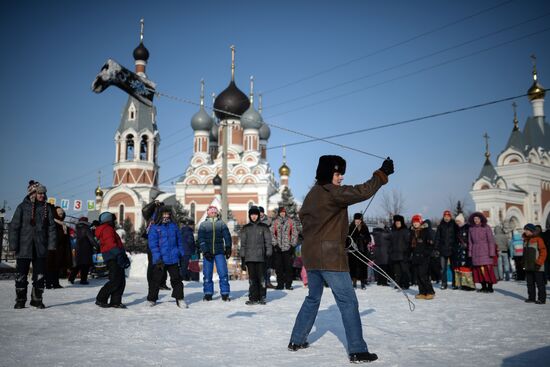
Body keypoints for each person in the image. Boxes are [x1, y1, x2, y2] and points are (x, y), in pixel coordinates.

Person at [288, 155, 393, 363]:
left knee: (313, 297)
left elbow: (314, 225)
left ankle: (297, 340)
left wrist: (338, 238)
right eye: (338, 174)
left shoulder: (311, 195)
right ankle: (357, 350)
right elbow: (362, 191)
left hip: (311, 255)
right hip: (329, 256)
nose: (341, 178)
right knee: (348, 301)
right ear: (328, 173)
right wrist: (382, 174)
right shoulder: (332, 192)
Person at [9, 181, 56, 309]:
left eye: (43, 193)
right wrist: (13, 246)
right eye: (39, 193)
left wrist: (51, 245)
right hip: (24, 247)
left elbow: (51, 228)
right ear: (32, 193)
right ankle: (20, 300)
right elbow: (14, 227)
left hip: (40, 248)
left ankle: (37, 300)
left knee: (40, 275)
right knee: (21, 275)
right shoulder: (22, 207)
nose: (42, 195)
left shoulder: (47, 208)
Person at [147, 207, 186, 308]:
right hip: (161, 259)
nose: (166, 216)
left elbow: (179, 241)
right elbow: (153, 244)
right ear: (160, 214)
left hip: (173, 257)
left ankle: (180, 298)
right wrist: (157, 258)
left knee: (176, 279)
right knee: (156, 280)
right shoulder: (155, 227)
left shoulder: (174, 226)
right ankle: (152, 299)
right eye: (164, 214)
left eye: (168, 214)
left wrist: (181, 253)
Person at [198, 205, 232, 301]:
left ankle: (225, 293)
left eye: (214, 212)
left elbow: (227, 236)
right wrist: (205, 251)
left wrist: (228, 247)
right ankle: (208, 293)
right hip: (208, 252)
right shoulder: (203, 225)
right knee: (207, 274)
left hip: (219, 252)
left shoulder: (221, 224)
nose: (213, 214)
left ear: (217, 213)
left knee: (223, 273)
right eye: (211, 212)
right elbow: (201, 239)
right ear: (208, 213)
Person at [94, 212, 128, 308]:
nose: (114, 221)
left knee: (120, 280)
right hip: (113, 257)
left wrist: (123, 255)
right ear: (109, 220)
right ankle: (100, 298)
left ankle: (115, 301)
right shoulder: (107, 229)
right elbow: (110, 243)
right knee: (115, 280)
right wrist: (118, 255)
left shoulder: (108, 229)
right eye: (113, 219)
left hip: (115, 255)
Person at [240, 206, 272, 305]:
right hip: (249, 258)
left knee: (261, 278)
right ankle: (253, 297)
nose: (254, 216)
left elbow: (268, 242)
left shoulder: (264, 227)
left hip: (261, 257)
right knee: (252, 279)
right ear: (249, 215)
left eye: (255, 214)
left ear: (258, 215)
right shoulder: (246, 228)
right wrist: (243, 259)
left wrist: (268, 255)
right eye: (252, 214)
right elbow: (243, 244)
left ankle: (262, 296)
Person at [142, 200, 170, 291]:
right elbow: (144, 210)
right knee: (152, 264)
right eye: (159, 208)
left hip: (164, 244)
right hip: (152, 244)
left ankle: (161, 283)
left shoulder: (166, 218)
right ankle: (152, 284)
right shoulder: (150, 216)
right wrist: (153, 203)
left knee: (163, 264)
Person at [468, 212, 497, 293]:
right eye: (475, 219)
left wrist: (492, 252)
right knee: (479, 270)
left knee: (487, 270)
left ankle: (490, 287)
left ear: (481, 219)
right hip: (475, 251)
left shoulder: (486, 227)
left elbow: (491, 241)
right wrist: (470, 253)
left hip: (485, 251)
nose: (476, 220)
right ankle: (483, 286)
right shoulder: (471, 229)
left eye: (477, 219)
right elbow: (470, 242)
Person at [271, 207, 299, 290]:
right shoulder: (275, 222)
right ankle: (280, 284)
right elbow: (271, 234)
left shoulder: (291, 222)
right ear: (279, 213)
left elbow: (294, 234)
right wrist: (275, 245)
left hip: (288, 248)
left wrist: (292, 245)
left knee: (288, 267)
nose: (282, 213)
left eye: (284, 212)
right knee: (279, 268)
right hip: (278, 249)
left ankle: (288, 284)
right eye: (281, 212)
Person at [410, 214, 435, 300]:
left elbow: (431, 245)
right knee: (418, 275)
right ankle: (422, 292)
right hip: (415, 257)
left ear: (420, 222)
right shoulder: (412, 232)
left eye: (417, 222)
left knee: (423, 275)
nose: (415, 224)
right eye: (414, 222)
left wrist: (426, 253)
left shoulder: (425, 231)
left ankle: (430, 291)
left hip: (424, 257)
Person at [46, 206, 71, 289]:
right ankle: (49, 283)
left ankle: (56, 283)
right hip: (52, 248)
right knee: (50, 267)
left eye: (62, 213)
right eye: (59, 213)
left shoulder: (63, 224)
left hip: (60, 248)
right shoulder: (52, 223)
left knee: (57, 267)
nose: (61, 214)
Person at [522, 223, 547, 304]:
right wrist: (523, 262)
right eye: (525, 230)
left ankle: (541, 299)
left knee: (540, 283)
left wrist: (539, 263)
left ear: (531, 230)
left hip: (537, 265)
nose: (525, 231)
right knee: (530, 283)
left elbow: (543, 252)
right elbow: (525, 253)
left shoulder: (538, 239)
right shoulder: (525, 240)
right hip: (528, 265)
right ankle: (531, 297)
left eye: (527, 230)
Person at [434, 210, 458, 290]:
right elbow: (437, 238)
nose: (446, 218)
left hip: (452, 250)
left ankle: (455, 283)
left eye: (448, 216)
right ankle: (444, 283)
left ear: (450, 217)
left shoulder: (454, 225)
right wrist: (436, 248)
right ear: (443, 217)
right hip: (443, 250)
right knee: (443, 268)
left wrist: (456, 246)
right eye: (445, 216)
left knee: (453, 267)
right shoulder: (440, 226)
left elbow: (458, 236)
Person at [68, 217, 96, 285]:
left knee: (78, 265)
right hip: (86, 249)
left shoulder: (77, 228)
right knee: (85, 265)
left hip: (78, 248)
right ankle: (83, 280)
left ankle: (71, 278)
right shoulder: (86, 228)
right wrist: (96, 245)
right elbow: (91, 239)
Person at [348, 213, 370, 289]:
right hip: (353, 251)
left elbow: (368, 238)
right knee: (353, 267)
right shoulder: (351, 227)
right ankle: (353, 282)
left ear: (361, 220)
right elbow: (348, 238)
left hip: (362, 250)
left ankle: (363, 282)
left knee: (362, 267)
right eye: (356, 220)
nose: (357, 221)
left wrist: (364, 238)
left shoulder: (365, 227)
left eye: (359, 220)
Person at [454, 213, 475, 290]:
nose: (457, 222)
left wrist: (467, 245)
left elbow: (470, 238)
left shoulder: (467, 227)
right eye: (456, 221)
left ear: (462, 220)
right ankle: (462, 284)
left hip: (466, 250)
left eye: (458, 221)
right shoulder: (457, 228)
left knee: (467, 267)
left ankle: (469, 285)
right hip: (460, 250)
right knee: (461, 267)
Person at [389, 215, 410, 289]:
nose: (397, 223)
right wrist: (391, 251)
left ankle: (406, 284)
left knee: (404, 270)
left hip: (403, 254)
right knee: (397, 271)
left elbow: (408, 242)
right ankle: (398, 284)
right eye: (396, 222)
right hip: (395, 254)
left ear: (401, 222)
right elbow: (390, 242)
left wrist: (406, 251)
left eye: (399, 222)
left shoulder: (405, 230)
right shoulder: (393, 231)